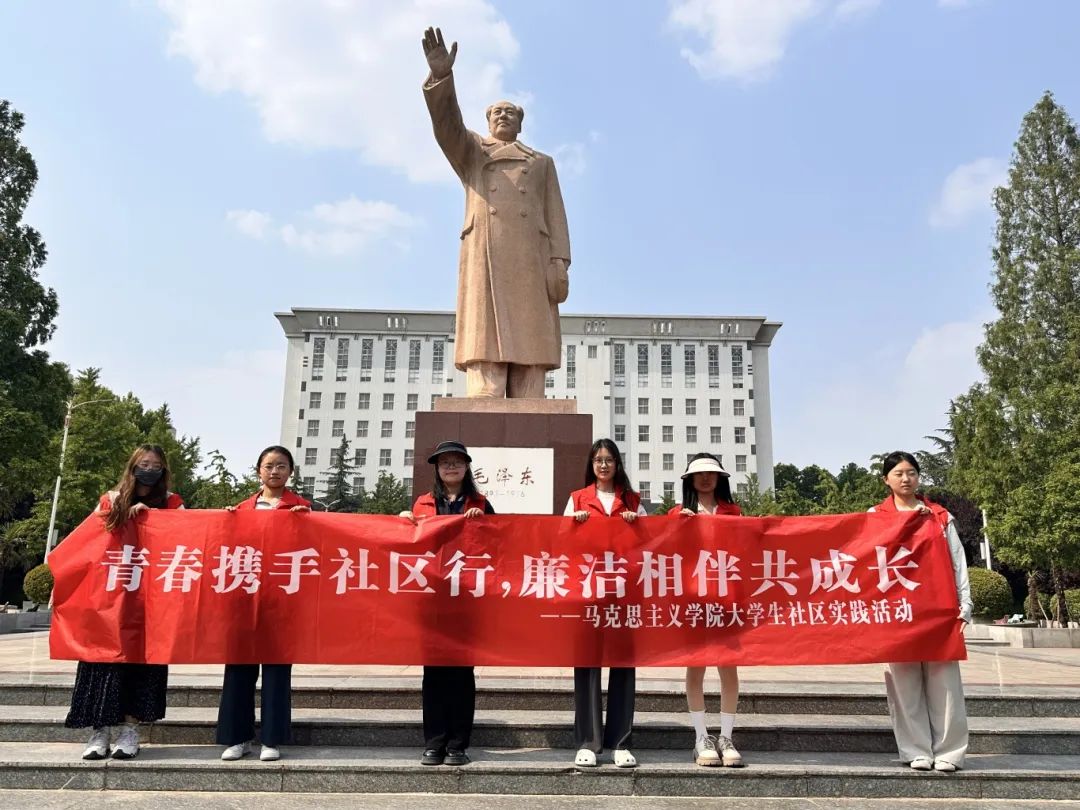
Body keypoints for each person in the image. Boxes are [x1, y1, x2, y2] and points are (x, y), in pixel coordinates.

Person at [422, 26, 572, 398]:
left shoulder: (541, 162)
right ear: (488, 121)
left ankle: (528, 380)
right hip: (486, 248)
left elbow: (555, 214)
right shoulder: (473, 151)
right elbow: (447, 127)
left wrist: (560, 261)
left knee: (530, 334)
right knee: (484, 328)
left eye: (510, 113)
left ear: (520, 123)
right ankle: (486, 376)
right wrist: (442, 79)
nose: (503, 116)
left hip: (531, 256)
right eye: (497, 112)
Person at [66, 444, 184, 760]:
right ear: (132, 466)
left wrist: (154, 519)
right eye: (144, 463)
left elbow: (187, 538)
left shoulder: (172, 503)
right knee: (103, 661)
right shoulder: (111, 499)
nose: (149, 470)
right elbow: (89, 540)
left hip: (151, 601)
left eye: (155, 465)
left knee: (142, 663)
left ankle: (131, 731)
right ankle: (100, 731)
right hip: (110, 598)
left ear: (164, 470)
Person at [870, 450, 972, 772]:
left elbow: (957, 561)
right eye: (898, 473)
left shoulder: (939, 516)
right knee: (903, 683)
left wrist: (965, 604)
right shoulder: (874, 517)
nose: (906, 479)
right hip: (897, 611)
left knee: (945, 683)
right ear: (886, 480)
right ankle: (916, 749)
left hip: (938, 610)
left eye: (911, 472)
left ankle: (950, 752)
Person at [400, 440, 494, 766]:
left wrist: (483, 522)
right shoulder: (423, 503)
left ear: (467, 467)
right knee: (434, 674)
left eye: (456, 462)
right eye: (444, 463)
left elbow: (498, 544)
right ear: (437, 469)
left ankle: (457, 745)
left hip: (466, 601)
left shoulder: (480, 503)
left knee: (462, 675)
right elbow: (410, 545)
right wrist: (404, 523)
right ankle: (434, 742)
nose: (450, 467)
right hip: (431, 600)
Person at [216, 445, 310, 762]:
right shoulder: (241, 509)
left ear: (290, 472)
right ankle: (237, 737)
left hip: (282, 601)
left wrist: (306, 524)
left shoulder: (303, 508)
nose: (275, 471)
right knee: (238, 668)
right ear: (259, 471)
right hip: (244, 598)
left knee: (276, 671)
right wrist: (225, 522)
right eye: (269, 465)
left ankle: (271, 739)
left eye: (281, 465)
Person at [563, 438, 647, 769]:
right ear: (591, 464)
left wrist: (637, 527)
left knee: (623, 666)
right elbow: (560, 543)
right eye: (598, 459)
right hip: (588, 591)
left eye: (609, 459)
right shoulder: (577, 499)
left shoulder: (633, 501)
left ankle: (620, 742)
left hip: (624, 593)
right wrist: (573, 525)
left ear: (617, 464)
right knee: (587, 665)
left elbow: (651, 543)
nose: (603, 465)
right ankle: (588, 741)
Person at [667, 453, 744, 767]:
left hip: (726, 600)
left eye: (711, 473)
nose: (706, 478)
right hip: (694, 601)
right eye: (699, 474)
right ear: (689, 480)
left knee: (728, 668)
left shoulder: (734, 512)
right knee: (696, 667)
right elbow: (665, 556)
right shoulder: (676, 514)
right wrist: (678, 529)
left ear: (720, 479)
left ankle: (726, 736)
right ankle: (701, 736)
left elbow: (745, 551)